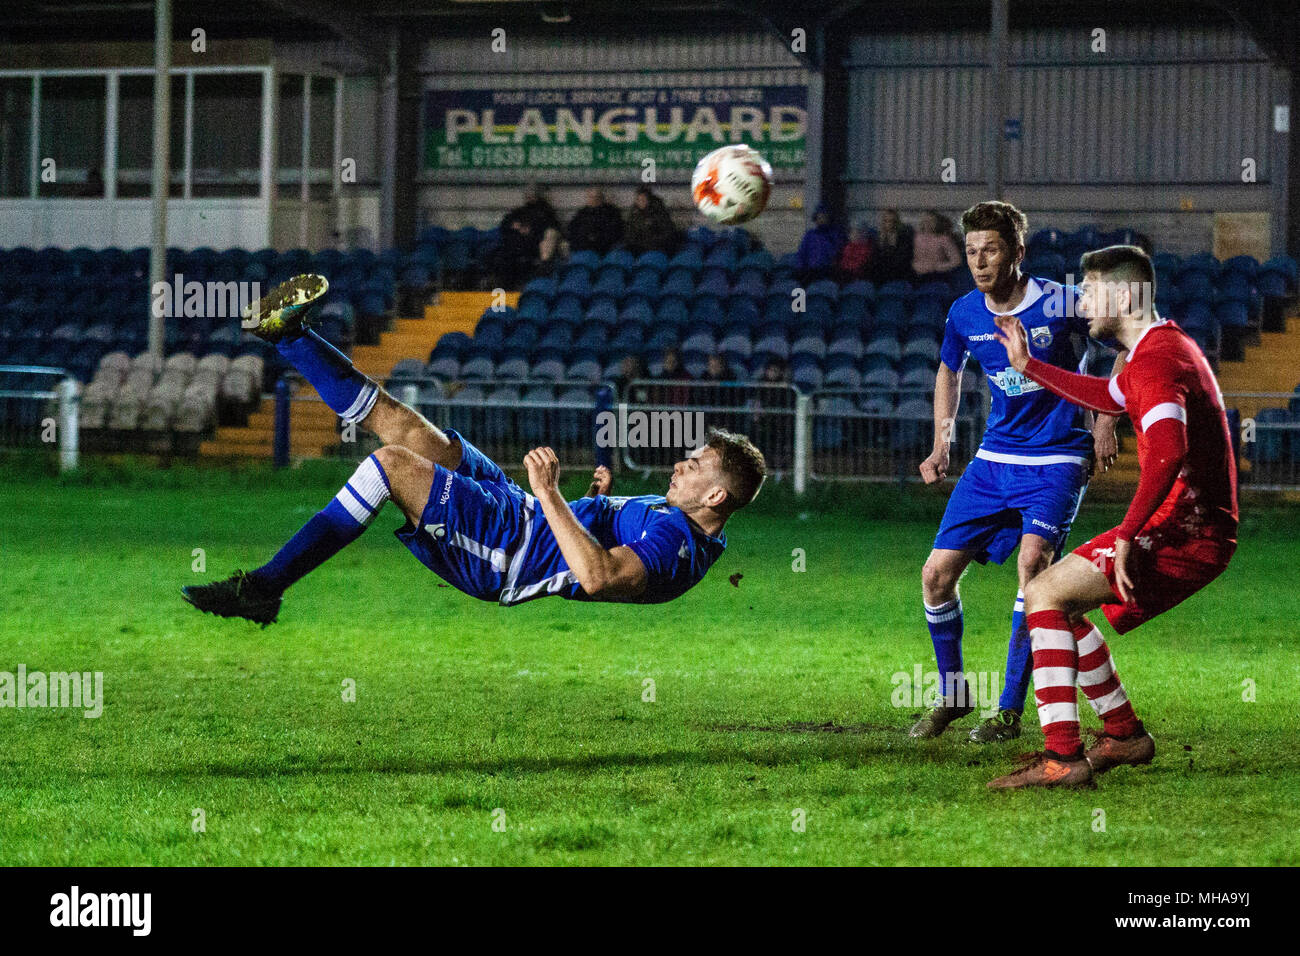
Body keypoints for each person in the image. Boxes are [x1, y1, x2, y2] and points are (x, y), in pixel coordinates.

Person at [181, 276, 767, 623]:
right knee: (408, 429)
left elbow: (596, 576)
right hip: (521, 513)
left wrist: (550, 495)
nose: (678, 464)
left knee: (389, 466)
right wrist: (591, 499)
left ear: (716, 493)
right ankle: (290, 334)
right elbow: (599, 545)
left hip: (507, 550)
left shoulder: (677, 546)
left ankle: (264, 588)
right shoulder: (685, 522)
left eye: (693, 465)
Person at [986, 245, 1237, 789]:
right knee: (1060, 602)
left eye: (1090, 290)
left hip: (1186, 531)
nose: (1081, 300)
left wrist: (1128, 534)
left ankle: (1063, 759)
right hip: (1192, 526)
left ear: (1123, 295)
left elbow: (1169, 449)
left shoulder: (1156, 359)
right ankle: (1123, 735)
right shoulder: (1159, 349)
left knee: (1042, 596)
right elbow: (1106, 393)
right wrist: (1030, 367)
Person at [913, 200, 1121, 743]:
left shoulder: (1061, 303)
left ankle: (1007, 711)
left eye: (992, 250)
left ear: (1018, 253)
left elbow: (1127, 337)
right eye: (972, 251)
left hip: (1057, 456)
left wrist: (1105, 416)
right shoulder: (964, 313)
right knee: (935, 577)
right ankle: (955, 696)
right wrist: (942, 442)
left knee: (1034, 568)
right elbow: (948, 371)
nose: (980, 262)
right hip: (996, 458)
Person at [795, 203, 847, 282]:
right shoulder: (810, 235)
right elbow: (802, 253)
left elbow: (837, 253)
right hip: (810, 270)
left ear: (829, 218)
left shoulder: (835, 235)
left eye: (824, 217)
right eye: (819, 217)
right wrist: (801, 267)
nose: (821, 220)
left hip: (827, 270)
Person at [567, 187, 624, 256]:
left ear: (602, 198)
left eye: (596, 197)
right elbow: (572, 229)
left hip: (605, 245)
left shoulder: (612, 211)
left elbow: (615, 231)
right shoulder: (582, 212)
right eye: (591, 197)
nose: (593, 200)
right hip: (583, 245)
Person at [625, 186, 678, 256]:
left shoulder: (659, 212)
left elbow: (667, 232)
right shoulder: (634, 213)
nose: (640, 202)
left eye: (643, 200)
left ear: (649, 200)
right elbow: (629, 232)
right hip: (640, 247)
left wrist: (650, 243)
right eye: (638, 200)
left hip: (657, 247)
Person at [912, 210, 963, 277]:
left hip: (937, 274)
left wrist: (938, 267)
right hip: (916, 274)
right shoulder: (915, 237)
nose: (928, 224)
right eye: (925, 221)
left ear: (937, 223)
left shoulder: (944, 239)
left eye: (931, 221)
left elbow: (956, 261)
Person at [873, 209, 914, 284]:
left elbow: (903, 258)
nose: (889, 224)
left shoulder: (904, 237)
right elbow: (875, 259)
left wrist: (893, 244)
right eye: (886, 221)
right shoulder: (878, 238)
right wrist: (881, 244)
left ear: (897, 222)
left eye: (892, 221)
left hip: (898, 272)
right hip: (882, 272)